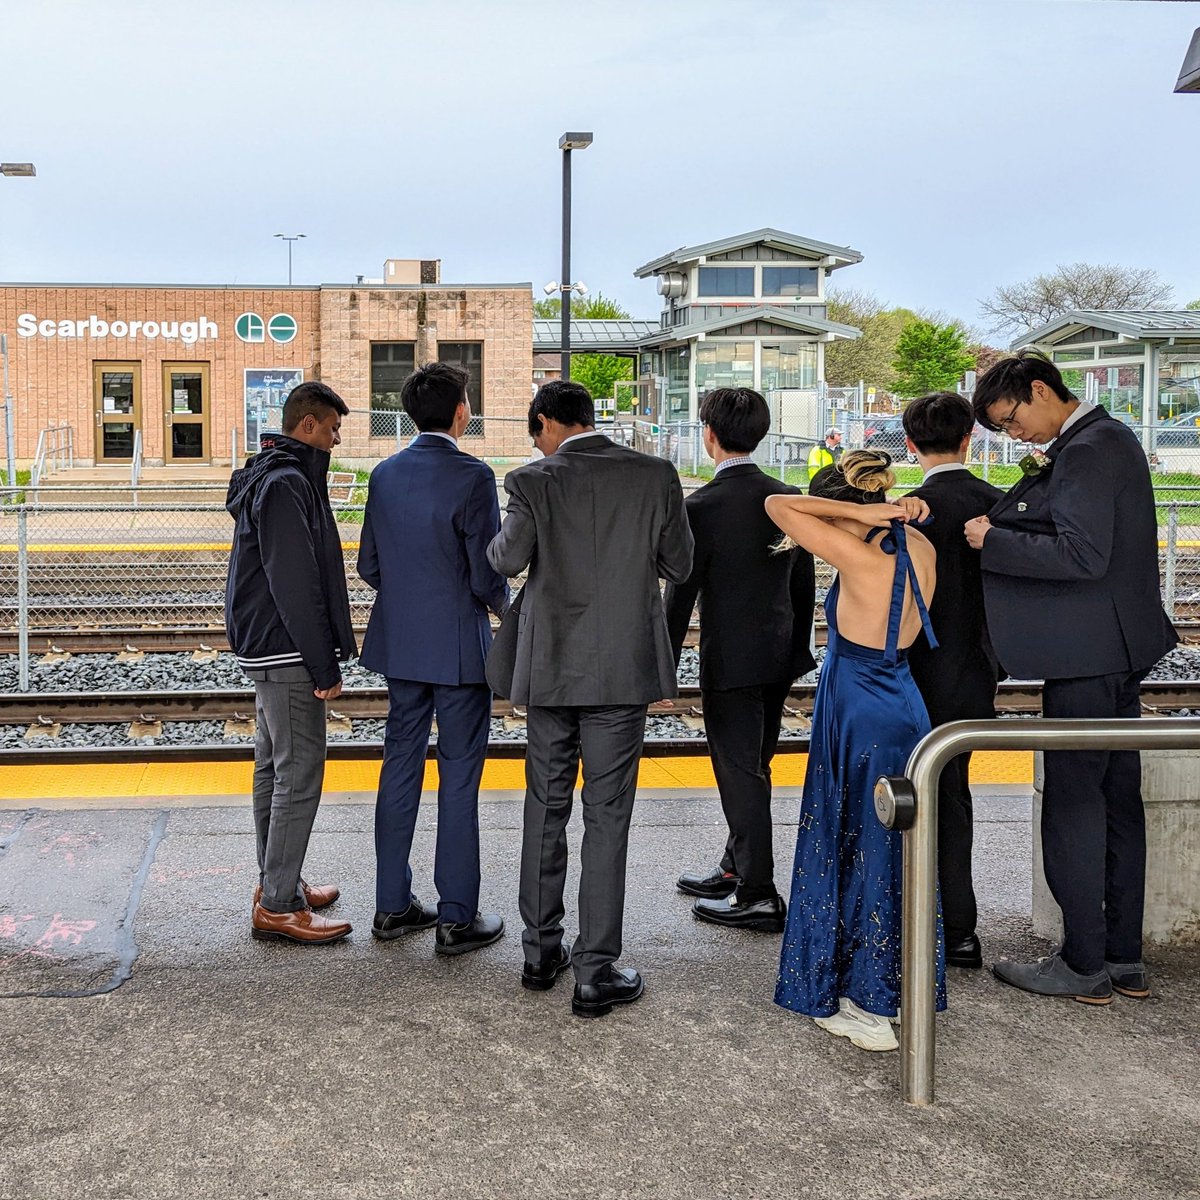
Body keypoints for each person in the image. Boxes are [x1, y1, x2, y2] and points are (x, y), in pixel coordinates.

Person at [966, 351, 1177, 1004]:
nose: (1014, 435)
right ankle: (1122, 960)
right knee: (1118, 804)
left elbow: (1081, 555)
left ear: (1040, 390)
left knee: (1074, 805)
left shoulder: (1086, 450)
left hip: (1084, 655)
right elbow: (1028, 492)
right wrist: (1002, 512)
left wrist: (987, 540)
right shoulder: (1096, 436)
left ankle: (1082, 963)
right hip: (1118, 649)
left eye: (1012, 419)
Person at [487, 380, 694, 1018]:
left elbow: (506, 559)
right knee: (607, 815)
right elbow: (679, 564)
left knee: (545, 806)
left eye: (537, 433)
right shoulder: (656, 474)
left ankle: (538, 951)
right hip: (624, 670)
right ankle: (597, 969)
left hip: (551, 669)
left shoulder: (532, 481)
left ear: (548, 423)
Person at [768, 450, 944, 1052]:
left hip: (858, 710)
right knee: (891, 853)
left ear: (847, 509)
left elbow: (778, 505)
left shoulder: (861, 555)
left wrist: (847, 512)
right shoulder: (919, 546)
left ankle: (866, 1005)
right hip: (903, 702)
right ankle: (892, 990)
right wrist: (884, 511)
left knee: (856, 846)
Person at [357, 362, 510, 956]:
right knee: (459, 777)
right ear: (461, 412)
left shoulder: (384, 473)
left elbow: (371, 567)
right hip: (459, 651)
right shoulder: (474, 476)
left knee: (399, 766)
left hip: (401, 646)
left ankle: (392, 906)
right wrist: (509, 610)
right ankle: (456, 917)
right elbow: (483, 573)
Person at [664, 387, 816, 932]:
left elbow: (680, 592)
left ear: (709, 435)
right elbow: (803, 584)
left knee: (738, 770)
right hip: (778, 653)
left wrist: (662, 663)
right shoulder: (786, 495)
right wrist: (801, 649)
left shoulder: (700, 507)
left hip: (729, 660)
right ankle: (735, 866)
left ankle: (758, 892)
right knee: (756, 763)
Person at [225, 380, 356, 945]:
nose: (335, 439)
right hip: (286, 648)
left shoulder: (276, 473)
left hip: (269, 645)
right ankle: (279, 904)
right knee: (298, 772)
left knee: (273, 766)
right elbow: (294, 581)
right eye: (331, 429)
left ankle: (277, 882)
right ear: (307, 425)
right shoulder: (286, 484)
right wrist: (324, 663)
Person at [902, 393, 1004, 969]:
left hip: (910, 676)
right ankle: (960, 929)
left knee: (904, 799)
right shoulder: (998, 503)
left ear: (910, 444)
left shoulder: (908, 510)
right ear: (971, 438)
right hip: (974, 677)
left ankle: (914, 923)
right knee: (953, 797)